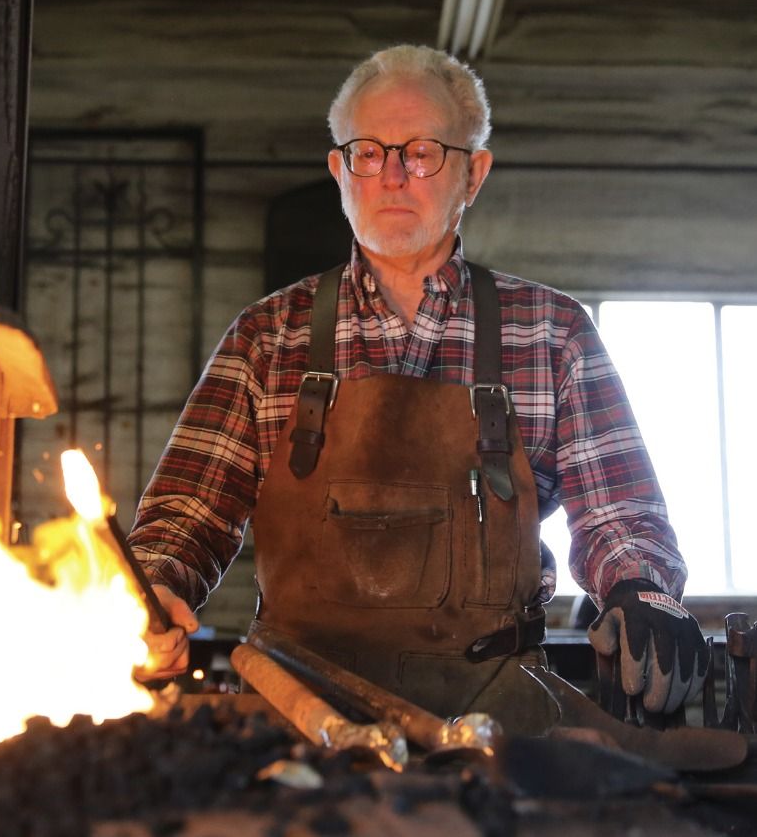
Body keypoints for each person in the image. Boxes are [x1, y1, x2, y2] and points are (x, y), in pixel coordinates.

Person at [128, 44, 708, 734]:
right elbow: (187, 514)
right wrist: (151, 590)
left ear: (473, 173)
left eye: (422, 152)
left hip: (498, 711)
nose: (392, 175)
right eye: (367, 153)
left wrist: (639, 588)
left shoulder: (551, 332)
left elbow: (618, 513)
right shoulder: (267, 337)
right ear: (339, 171)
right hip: (303, 709)